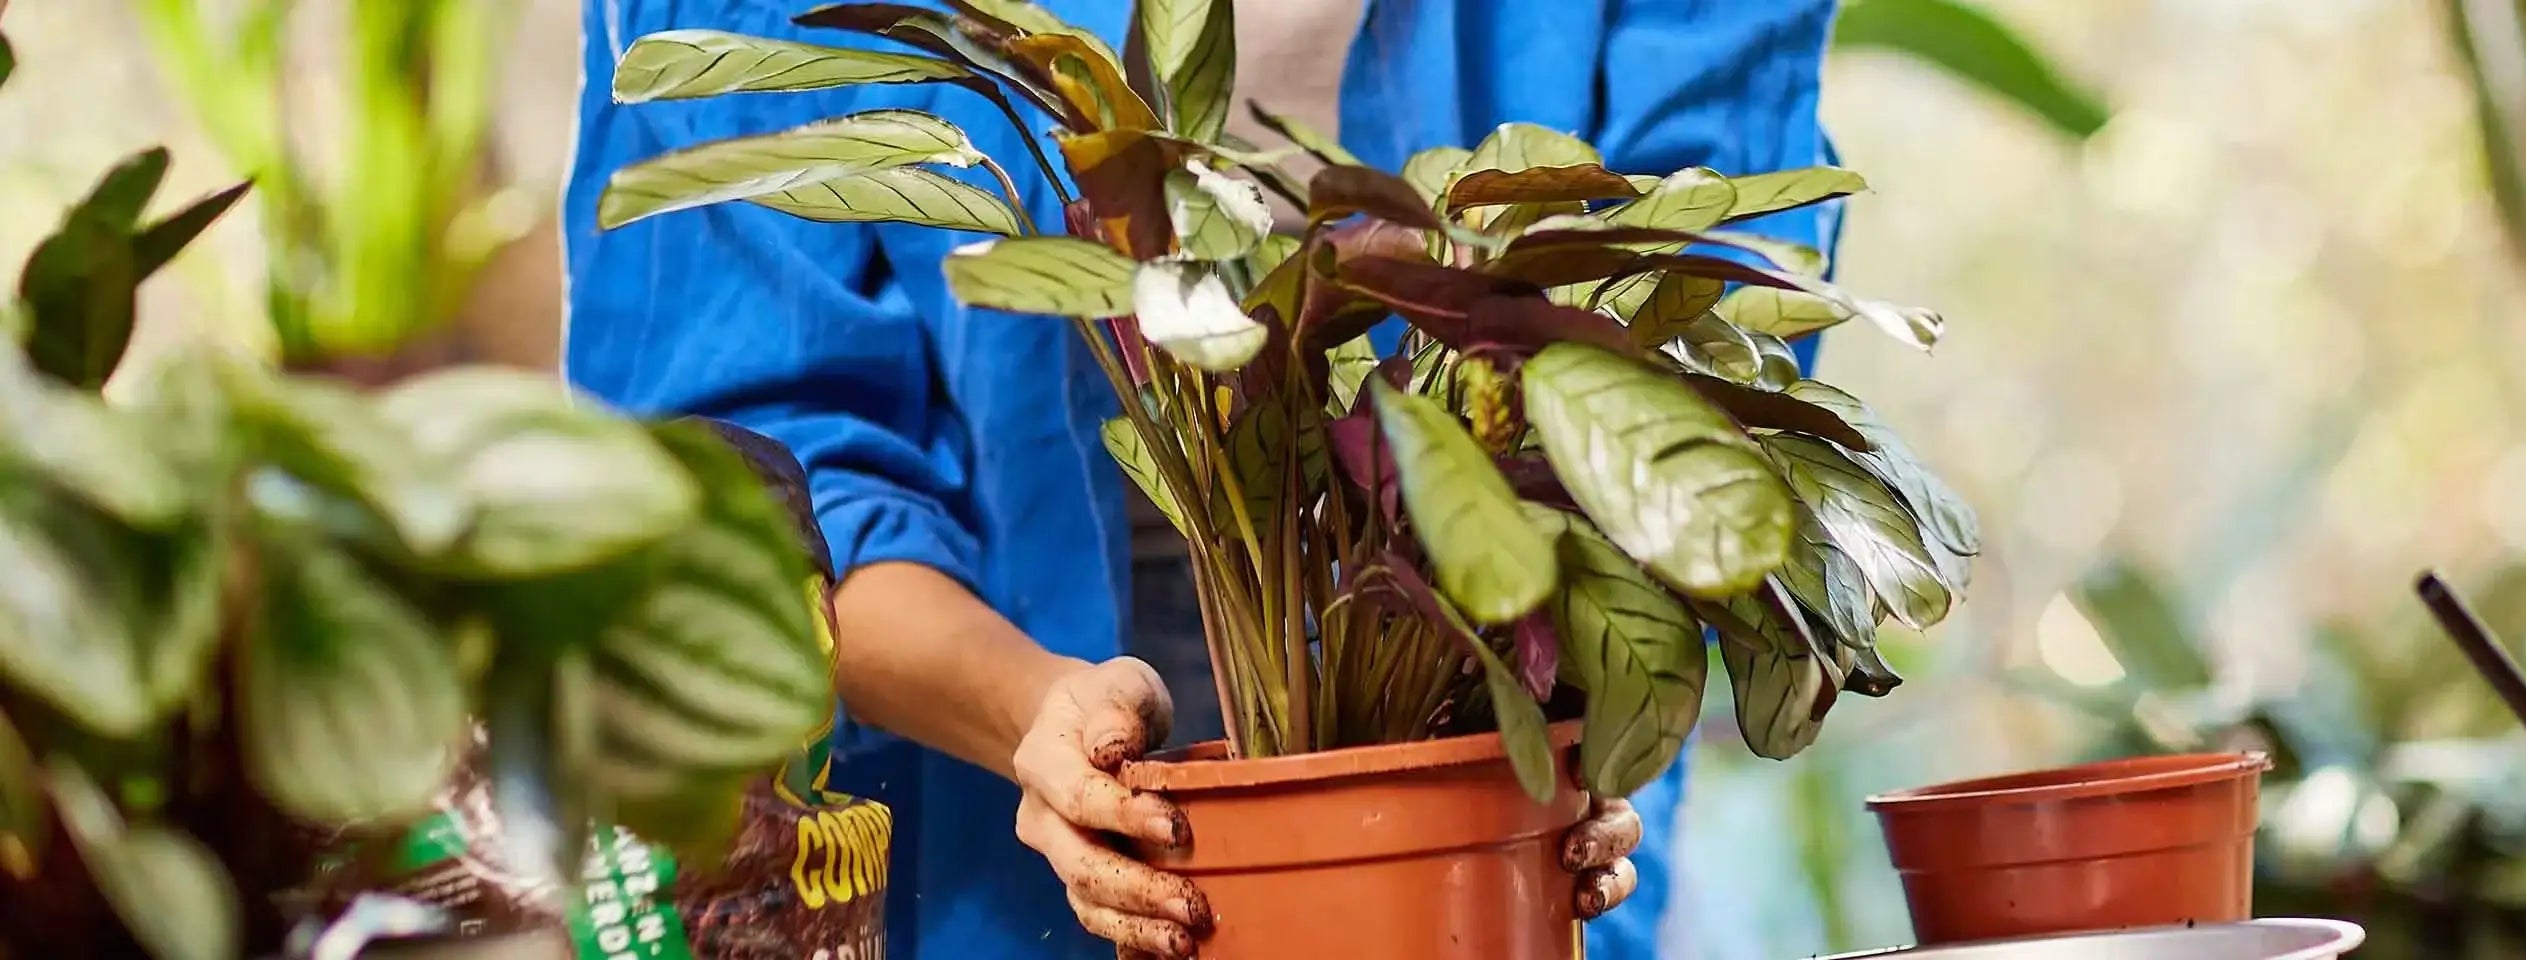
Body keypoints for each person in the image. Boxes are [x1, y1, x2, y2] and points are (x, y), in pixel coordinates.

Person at [564, 1, 1843, 957]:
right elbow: (759, 468)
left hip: (1467, 620)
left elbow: (1708, 277)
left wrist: (1569, 712)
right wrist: (1039, 721)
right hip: (984, 663)